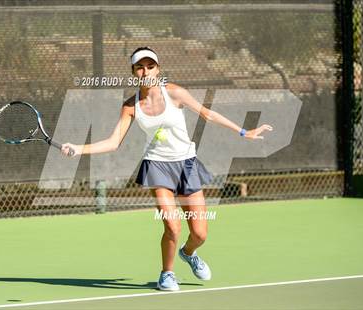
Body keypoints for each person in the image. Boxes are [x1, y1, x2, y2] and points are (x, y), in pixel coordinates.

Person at [61, 47, 273, 291]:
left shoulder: (174, 93)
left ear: (157, 69)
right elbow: (112, 142)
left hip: (187, 164)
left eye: (150, 66)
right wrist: (79, 148)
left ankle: (189, 253)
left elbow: (208, 114)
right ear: (133, 72)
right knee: (172, 225)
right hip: (157, 166)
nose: (146, 71)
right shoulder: (131, 106)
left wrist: (245, 132)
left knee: (200, 234)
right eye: (140, 67)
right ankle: (167, 274)